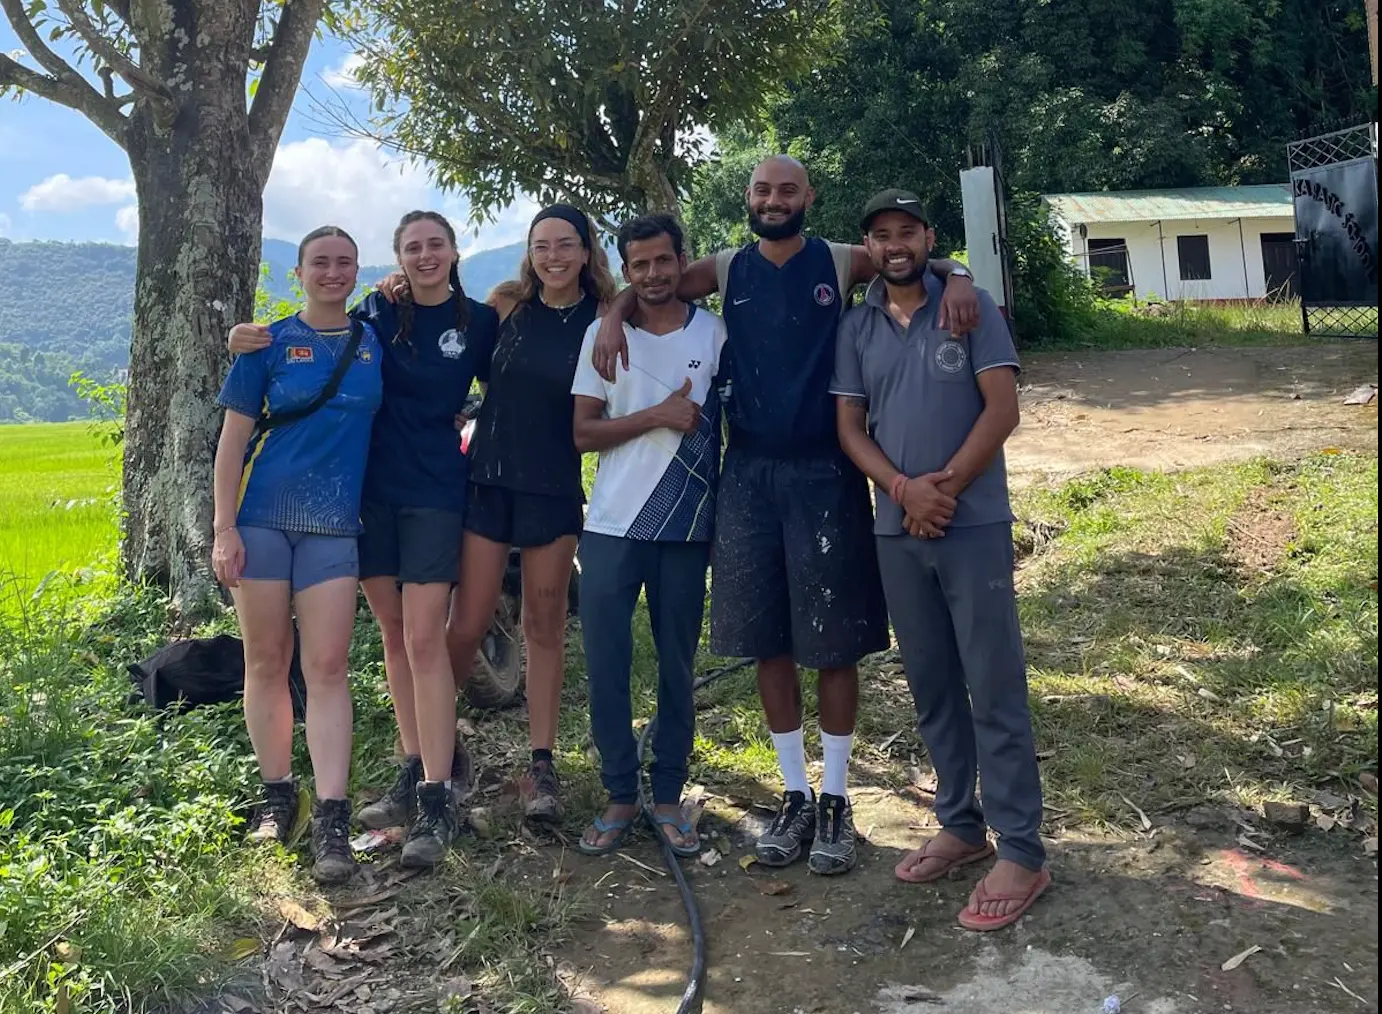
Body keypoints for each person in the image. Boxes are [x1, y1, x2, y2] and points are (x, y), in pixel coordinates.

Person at [592, 156, 980, 876]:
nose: (774, 201)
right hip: (748, 473)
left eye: (787, 190)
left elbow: (909, 256)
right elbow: (656, 280)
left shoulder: (839, 259)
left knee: (832, 644)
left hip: (827, 471)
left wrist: (956, 276)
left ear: (809, 197)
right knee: (767, 640)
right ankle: (794, 793)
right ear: (748, 198)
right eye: (763, 190)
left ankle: (836, 796)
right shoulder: (730, 269)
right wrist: (613, 314)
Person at [226, 211, 499, 869]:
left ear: (456, 250)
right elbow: (260, 401)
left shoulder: (474, 323)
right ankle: (406, 774)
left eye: (436, 245)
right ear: (397, 259)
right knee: (389, 638)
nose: (426, 256)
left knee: (421, 639)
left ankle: (437, 798)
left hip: (431, 493)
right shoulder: (376, 314)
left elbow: (514, 390)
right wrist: (238, 336)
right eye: (412, 248)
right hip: (364, 501)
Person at [832, 189, 1049, 930]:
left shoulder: (970, 306)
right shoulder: (857, 327)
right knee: (931, 685)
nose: (896, 245)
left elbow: (1002, 409)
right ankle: (960, 823)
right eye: (881, 235)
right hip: (897, 531)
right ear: (870, 247)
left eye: (908, 232)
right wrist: (899, 490)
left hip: (971, 522)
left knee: (993, 684)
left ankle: (1022, 846)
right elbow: (850, 426)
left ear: (929, 237)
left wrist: (943, 488)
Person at [211, 225, 383, 884]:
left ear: (358, 271)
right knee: (267, 660)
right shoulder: (266, 343)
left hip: (335, 528)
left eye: (345, 262)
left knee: (329, 665)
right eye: (320, 262)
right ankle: (278, 795)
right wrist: (224, 528)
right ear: (302, 271)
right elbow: (231, 445)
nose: (333, 273)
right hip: (260, 523)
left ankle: (334, 814)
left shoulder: (373, 344)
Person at [440, 205, 618, 827]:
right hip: (487, 480)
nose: (553, 256)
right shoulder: (507, 304)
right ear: (530, 251)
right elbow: (451, 341)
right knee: (466, 625)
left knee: (545, 624)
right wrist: (396, 287)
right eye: (542, 245)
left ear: (586, 248)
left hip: (552, 486)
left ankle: (541, 762)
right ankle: (438, 750)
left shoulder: (604, 317)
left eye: (565, 244)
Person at [569, 214, 726, 858]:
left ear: (680, 260)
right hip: (610, 525)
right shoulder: (603, 339)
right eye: (640, 266)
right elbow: (581, 433)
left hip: (687, 523)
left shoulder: (715, 333)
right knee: (606, 662)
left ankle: (667, 794)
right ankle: (617, 795)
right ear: (626, 270)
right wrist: (655, 415)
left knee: (676, 662)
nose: (653, 275)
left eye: (664, 261)